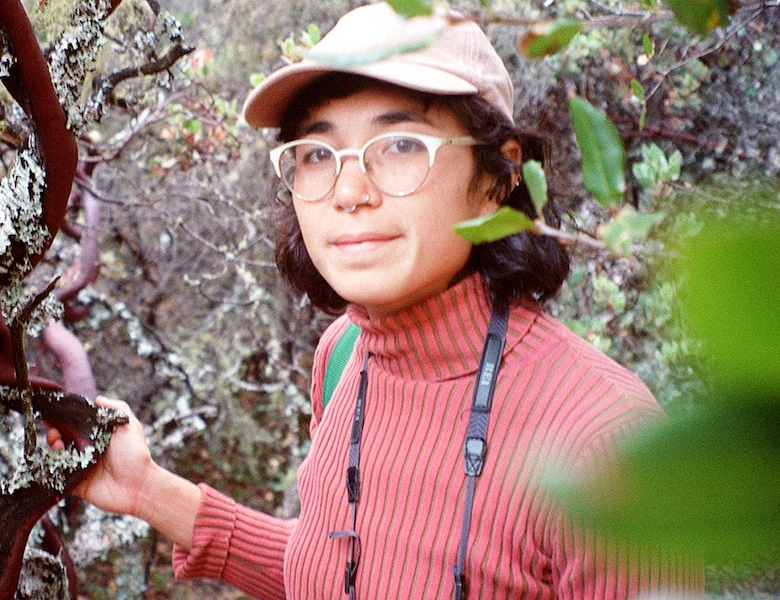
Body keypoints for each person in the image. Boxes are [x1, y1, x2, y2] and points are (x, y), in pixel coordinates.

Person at [50, 3, 704, 598]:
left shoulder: (608, 443)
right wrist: (145, 490)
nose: (348, 190)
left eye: (399, 145)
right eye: (316, 153)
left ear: (496, 181)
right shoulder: (344, 357)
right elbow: (336, 572)